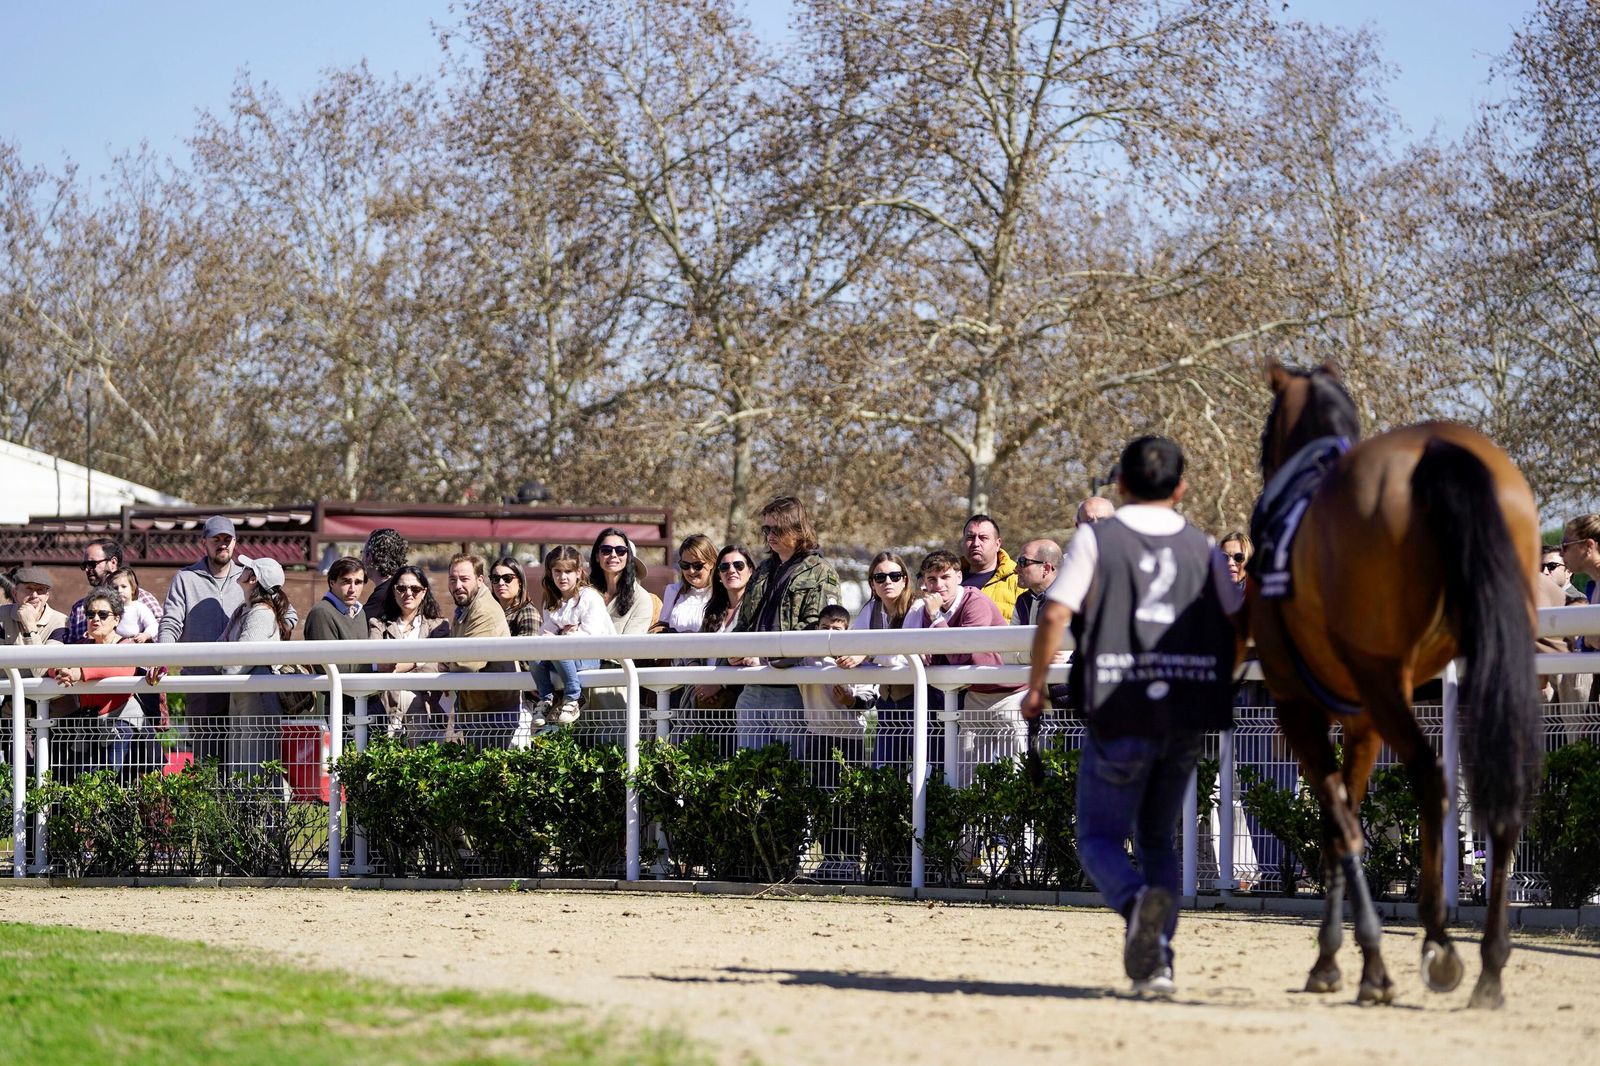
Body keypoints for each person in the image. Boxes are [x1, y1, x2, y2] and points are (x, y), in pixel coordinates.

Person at [1022, 436, 1241, 998]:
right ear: (1182, 487)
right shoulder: (1206, 548)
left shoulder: (1100, 539)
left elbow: (1054, 613)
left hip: (1120, 708)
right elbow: (1238, 625)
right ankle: (1158, 962)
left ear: (1119, 484)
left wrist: (1037, 685)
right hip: (1186, 711)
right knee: (1160, 841)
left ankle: (1135, 902)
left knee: (1097, 837)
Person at [155, 516, 296, 762]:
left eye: (227, 539)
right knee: (207, 761)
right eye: (216, 539)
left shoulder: (253, 576)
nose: (222, 544)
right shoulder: (185, 578)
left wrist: (267, 635)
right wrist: (163, 658)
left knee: (243, 759)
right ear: (204, 543)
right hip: (202, 682)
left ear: (235, 542)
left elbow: (289, 614)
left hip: (244, 683)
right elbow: (170, 623)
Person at [731, 496, 841, 750]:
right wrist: (734, 651)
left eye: (777, 529)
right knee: (748, 774)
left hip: (792, 687)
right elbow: (745, 619)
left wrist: (766, 659)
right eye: (766, 529)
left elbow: (818, 629)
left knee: (789, 776)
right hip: (752, 686)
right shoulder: (763, 570)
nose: (770, 535)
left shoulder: (820, 571)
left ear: (797, 529)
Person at [904, 549, 1018, 780]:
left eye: (945, 577)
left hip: (1010, 693)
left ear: (959, 577)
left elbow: (961, 654)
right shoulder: (930, 608)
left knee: (1014, 771)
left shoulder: (974, 601)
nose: (939, 585)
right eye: (932, 579)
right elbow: (936, 657)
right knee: (967, 773)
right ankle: (970, 818)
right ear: (924, 582)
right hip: (976, 693)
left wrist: (936, 618)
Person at [48, 585, 144, 777]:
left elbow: (123, 668)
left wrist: (79, 673)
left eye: (102, 614)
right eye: (90, 614)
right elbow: (52, 666)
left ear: (116, 619)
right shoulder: (82, 645)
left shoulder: (127, 645)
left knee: (111, 779)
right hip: (88, 723)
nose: (95, 619)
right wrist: (61, 670)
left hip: (120, 720)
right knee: (83, 782)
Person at [834, 551, 916, 768]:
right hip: (887, 703)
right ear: (872, 584)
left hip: (919, 702)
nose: (887, 581)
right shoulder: (871, 609)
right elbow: (852, 644)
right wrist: (852, 656)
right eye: (880, 577)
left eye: (894, 576)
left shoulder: (916, 607)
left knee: (929, 770)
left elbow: (903, 655)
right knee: (884, 773)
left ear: (905, 580)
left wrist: (866, 654)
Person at [217, 556, 294, 780]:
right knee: (241, 762)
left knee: (254, 764)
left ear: (253, 579)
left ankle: (263, 815)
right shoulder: (244, 609)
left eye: (246, 568)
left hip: (255, 694)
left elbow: (239, 659)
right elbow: (220, 649)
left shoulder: (260, 613)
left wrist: (222, 669)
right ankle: (244, 814)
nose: (240, 569)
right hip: (242, 690)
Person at [441, 553, 521, 747]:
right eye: (453, 579)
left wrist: (442, 664)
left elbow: (467, 663)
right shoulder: (465, 607)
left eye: (464, 579)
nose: (458, 585)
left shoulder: (483, 609)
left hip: (493, 712)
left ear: (479, 579)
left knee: (491, 773)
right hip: (479, 708)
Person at [368, 565, 450, 741]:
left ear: (424, 592)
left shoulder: (439, 626)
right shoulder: (378, 625)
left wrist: (404, 665)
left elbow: (437, 667)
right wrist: (421, 660)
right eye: (402, 588)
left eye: (415, 588)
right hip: (386, 707)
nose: (408, 593)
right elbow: (380, 665)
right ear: (393, 590)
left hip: (426, 707)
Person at [534, 545, 614, 727]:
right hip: (563, 658)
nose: (562, 577)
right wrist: (561, 633)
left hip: (591, 657)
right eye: (557, 571)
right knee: (535, 660)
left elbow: (591, 635)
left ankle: (573, 697)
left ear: (578, 572)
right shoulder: (551, 600)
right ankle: (546, 699)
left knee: (557, 650)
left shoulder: (590, 597)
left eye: (568, 571)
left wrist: (560, 637)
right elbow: (547, 631)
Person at [692, 544, 756, 720]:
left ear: (750, 571)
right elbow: (692, 652)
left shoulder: (756, 611)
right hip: (704, 706)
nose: (731, 570)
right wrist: (702, 683)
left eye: (738, 565)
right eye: (724, 567)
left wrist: (720, 684)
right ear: (719, 575)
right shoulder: (712, 612)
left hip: (738, 704)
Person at [304, 557, 370, 719]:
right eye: (346, 581)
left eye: (358, 582)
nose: (352, 589)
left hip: (360, 700)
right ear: (332, 582)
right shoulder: (321, 613)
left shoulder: (360, 613)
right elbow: (327, 665)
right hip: (333, 705)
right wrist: (376, 666)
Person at [66, 538, 161, 643]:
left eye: (92, 564)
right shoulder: (79, 608)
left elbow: (160, 633)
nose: (87, 569)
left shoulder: (142, 599)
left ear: (113, 562)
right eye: (85, 565)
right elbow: (71, 648)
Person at [489, 556, 542, 744]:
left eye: (507, 578)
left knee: (516, 750)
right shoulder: (490, 615)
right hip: (494, 695)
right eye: (495, 578)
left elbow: (528, 658)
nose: (500, 583)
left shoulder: (527, 612)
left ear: (519, 581)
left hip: (522, 700)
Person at [590, 528, 654, 635]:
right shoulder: (584, 591)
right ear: (597, 556)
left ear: (628, 557)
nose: (613, 555)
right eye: (606, 550)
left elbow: (630, 645)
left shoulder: (641, 599)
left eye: (620, 551)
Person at [959, 514, 1021, 621]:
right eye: (970, 537)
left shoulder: (1018, 579)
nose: (975, 543)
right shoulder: (948, 580)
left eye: (983, 538)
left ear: (997, 544)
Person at [658, 534, 717, 634]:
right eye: (685, 565)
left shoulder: (722, 594)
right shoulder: (673, 592)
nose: (691, 571)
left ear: (711, 563)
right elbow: (662, 628)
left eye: (697, 565)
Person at [362, 527, 410, 618]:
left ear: (369, 557)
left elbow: (357, 626)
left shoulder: (383, 597)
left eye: (363, 553)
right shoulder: (407, 589)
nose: (362, 558)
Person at [107, 569, 160, 642]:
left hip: (134, 645)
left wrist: (145, 635)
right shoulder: (109, 609)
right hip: (114, 646)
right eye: (115, 588)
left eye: (123, 586)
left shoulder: (139, 607)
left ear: (133, 589)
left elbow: (153, 626)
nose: (119, 590)